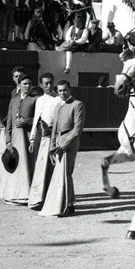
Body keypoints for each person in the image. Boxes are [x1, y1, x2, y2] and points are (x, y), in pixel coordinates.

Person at [40, 79, 85, 217]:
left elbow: (78, 128)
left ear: (70, 89)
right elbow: (54, 129)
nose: (63, 93)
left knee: (66, 172)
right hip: (59, 141)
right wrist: (53, 145)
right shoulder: (58, 106)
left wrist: (65, 144)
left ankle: (68, 205)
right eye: (60, 91)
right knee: (60, 173)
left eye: (65, 90)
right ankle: (66, 203)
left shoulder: (77, 104)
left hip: (70, 142)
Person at [0, 73, 38, 204]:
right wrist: (8, 140)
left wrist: (26, 122)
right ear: (20, 85)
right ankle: (13, 193)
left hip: (27, 136)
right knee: (15, 165)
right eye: (25, 84)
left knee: (26, 165)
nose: (27, 86)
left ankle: (26, 195)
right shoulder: (14, 100)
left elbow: (38, 119)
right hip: (15, 138)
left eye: (29, 84)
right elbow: (9, 121)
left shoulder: (35, 100)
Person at [27, 72, 61, 210]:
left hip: (52, 134)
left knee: (50, 166)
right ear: (41, 85)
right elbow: (36, 120)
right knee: (38, 166)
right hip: (40, 134)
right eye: (45, 83)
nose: (48, 85)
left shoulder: (58, 99)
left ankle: (49, 198)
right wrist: (32, 139)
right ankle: (37, 198)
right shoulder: (39, 100)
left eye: (51, 83)